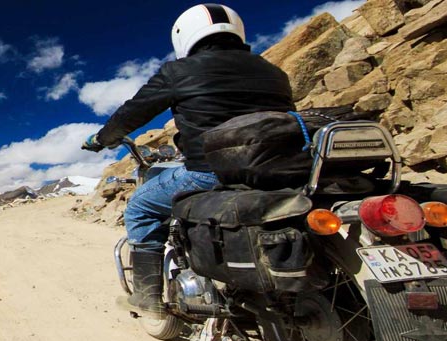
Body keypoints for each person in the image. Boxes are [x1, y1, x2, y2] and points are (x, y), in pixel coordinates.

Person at [81, 3, 295, 319]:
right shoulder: (273, 72)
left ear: (184, 35)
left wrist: (102, 139)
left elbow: (133, 112)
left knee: (140, 207)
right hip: (279, 168)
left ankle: (147, 298)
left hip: (212, 171)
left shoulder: (178, 72)